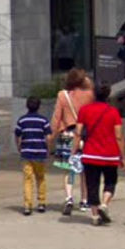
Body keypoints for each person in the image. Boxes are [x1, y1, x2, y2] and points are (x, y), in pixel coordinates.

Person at [70, 83, 125, 226]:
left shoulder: (85, 110)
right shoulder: (113, 112)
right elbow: (119, 136)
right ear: (108, 95)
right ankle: (105, 204)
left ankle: (95, 215)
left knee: (92, 184)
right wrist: (122, 156)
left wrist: (74, 149)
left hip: (90, 154)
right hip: (110, 154)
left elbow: (78, 132)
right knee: (110, 182)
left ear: (94, 94)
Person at [50, 68, 94, 215]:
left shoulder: (62, 95)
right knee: (85, 172)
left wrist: (51, 136)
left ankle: (69, 198)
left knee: (68, 170)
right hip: (84, 136)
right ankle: (84, 200)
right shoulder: (89, 95)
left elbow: (57, 117)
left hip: (67, 135)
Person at [14, 97, 50, 216]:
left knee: (27, 179)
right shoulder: (44, 121)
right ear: (39, 106)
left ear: (27, 106)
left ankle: (27, 205)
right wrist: (48, 149)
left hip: (26, 153)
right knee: (40, 178)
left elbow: (17, 135)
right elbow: (48, 137)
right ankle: (41, 202)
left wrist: (19, 147)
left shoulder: (22, 120)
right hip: (40, 152)